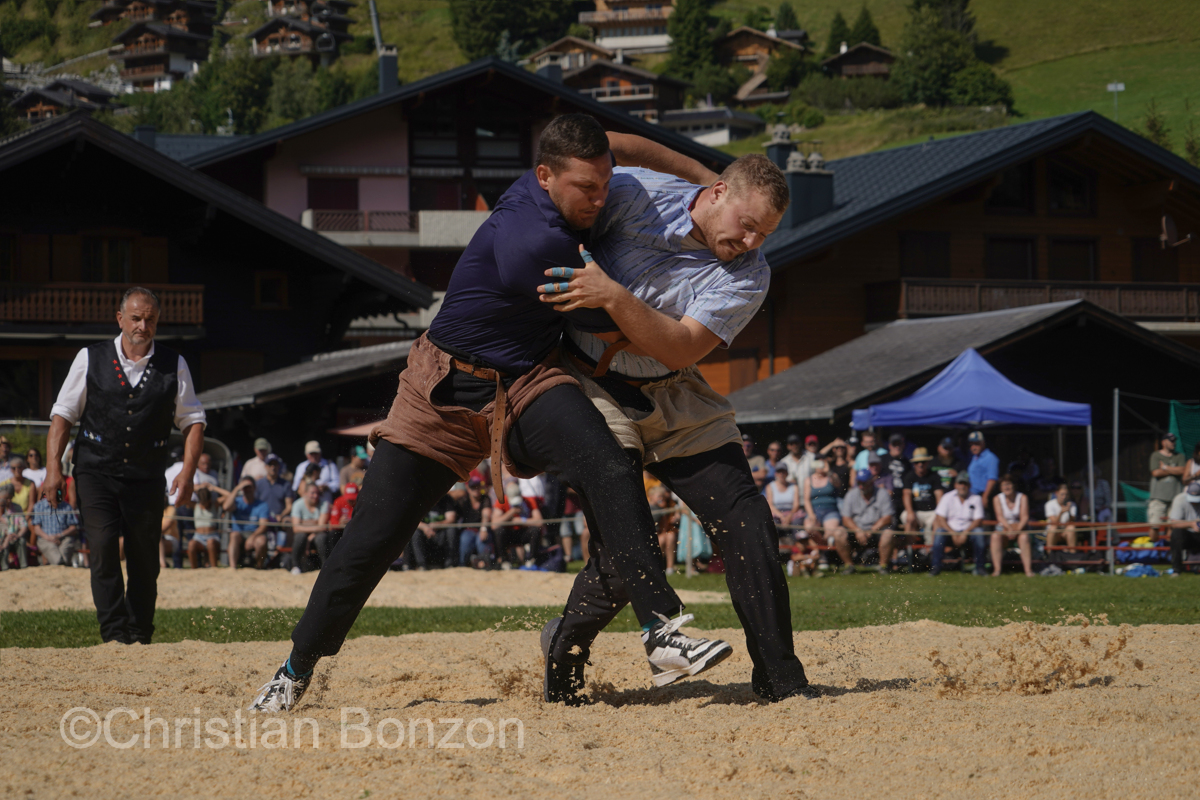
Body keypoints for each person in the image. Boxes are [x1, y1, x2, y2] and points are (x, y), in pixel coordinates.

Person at [252, 116, 725, 713]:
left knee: (608, 464)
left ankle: (661, 630)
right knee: (370, 541)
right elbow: (631, 330)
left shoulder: (564, 178)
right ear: (545, 176)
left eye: (606, 183)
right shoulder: (538, 243)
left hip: (526, 379)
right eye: (587, 188)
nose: (601, 198)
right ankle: (295, 669)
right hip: (442, 390)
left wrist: (708, 178)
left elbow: (621, 144)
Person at [535, 151, 816, 703]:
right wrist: (695, 170)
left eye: (764, 234)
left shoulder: (750, 273)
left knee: (748, 521)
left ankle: (781, 679)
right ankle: (563, 656)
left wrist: (612, 294)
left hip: (675, 387)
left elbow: (680, 346)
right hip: (591, 384)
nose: (752, 242)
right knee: (624, 546)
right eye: (747, 225)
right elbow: (598, 142)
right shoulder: (635, 192)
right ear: (718, 193)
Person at [43, 287, 206, 644]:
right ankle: (114, 634)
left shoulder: (174, 363)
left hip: (146, 474)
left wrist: (188, 471)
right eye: (135, 318)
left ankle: (139, 632)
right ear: (120, 319)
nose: (142, 326)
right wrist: (53, 469)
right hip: (95, 469)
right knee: (102, 546)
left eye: (150, 319)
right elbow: (62, 416)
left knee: (144, 556)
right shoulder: (89, 358)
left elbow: (193, 421)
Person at [833, 469, 893, 574]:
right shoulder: (851, 494)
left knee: (889, 534)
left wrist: (872, 530)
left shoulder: (883, 493)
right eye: (859, 483)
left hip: (876, 531)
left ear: (871, 482)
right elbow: (845, 519)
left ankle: (883, 566)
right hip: (856, 531)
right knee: (838, 533)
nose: (861, 486)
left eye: (864, 483)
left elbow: (888, 517)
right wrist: (857, 530)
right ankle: (849, 566)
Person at [928, 473, 986, 577]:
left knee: (979, 532)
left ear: (969, 485)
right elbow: (940, 518)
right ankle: (935, 567)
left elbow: (978, 519)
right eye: (960, 483)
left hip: (969, 532)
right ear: (955, 485)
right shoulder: (947, 497)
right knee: (939, 532)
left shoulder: (976, 498)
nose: (962, 486)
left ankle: (980, 568)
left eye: (965, 484)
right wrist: (952, 533)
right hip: (950, 532)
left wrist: (965, 533)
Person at [899, 447, 944, 562]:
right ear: (914, 464)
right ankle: (911, 553)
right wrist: (910, 512)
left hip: (932, 511)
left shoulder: (934, 476)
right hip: (916, 511)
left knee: (937, 521)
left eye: (923, 462)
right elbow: (906, 494)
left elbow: (939, 496)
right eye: (917, 462)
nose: (920, 464)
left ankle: (931, 553)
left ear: (927, 462)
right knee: (908, 518)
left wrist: (939, 513)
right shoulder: (909, 476)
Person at [990, 474, 1033, 577]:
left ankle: (1028, 570)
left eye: (1008, 484)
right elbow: (1000, 517)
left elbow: (1024, 517)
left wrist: (1016, 531)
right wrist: (1009, 528)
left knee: (1024, 537)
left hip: (1019, 528)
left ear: (1014, 485)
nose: (1006, 487)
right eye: (1004, 485)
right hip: (1004, 528)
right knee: (995, 536)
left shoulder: (1022, 497)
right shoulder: (997, 498)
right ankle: (997, 570)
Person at [224, 477, 272, 569]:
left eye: (249, 487)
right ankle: (233, 568)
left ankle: (259, 567)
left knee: (261, 541)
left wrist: (252, 537)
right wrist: (237, 488)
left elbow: (263, 526)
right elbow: (226, 507)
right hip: (239, 534)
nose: (247, 490)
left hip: (255, 533)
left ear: (254, 488)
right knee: (234, 535)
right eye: (244, 487)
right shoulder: (237, 502)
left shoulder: (262, 505)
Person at [289, 482, 330, 574]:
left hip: (316, 535)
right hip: (303, 535)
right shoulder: (297, 504)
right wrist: (315, 523)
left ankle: (325, 566)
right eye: (312, 493)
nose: (315, 496)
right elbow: (296, 528)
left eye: (317, 493)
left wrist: (304, 524)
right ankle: (295, 566)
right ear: (305, 493)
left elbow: (322, 527)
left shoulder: (324, 504)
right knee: (300, 537)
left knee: (321, 538)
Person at [30, 492, 80, 567]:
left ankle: (61, 565)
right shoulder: (38, 506)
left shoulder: (66, 506)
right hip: (45, 539)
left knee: (65, 550)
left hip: (64, 538)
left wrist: (59, 535)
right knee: (57, 557)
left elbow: (73, 527)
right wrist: (49, 538)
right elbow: (37, 529)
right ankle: (60, 564)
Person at [1149, 433, 1185, 535]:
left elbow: (1182, 470)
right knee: (1154, 526)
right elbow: (1156, 473)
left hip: (1175, 498)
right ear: (1163, 442)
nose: (1174, 443)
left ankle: (1170, 545)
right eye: (1171, 441)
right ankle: (1154, 545)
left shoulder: (1180, 456)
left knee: (1172, 527)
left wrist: (1165, 467)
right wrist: (1174, 470)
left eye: (1174, 441)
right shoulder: (1156, 455)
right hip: (1158, 498)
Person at [187, 485, 229, 569]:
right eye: (203, 502)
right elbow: (182, 496)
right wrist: (196, 488)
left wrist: (214, 488)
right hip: (198, 536)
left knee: (211, 543)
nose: (205, 504)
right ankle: (193, 569)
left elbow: (229, 495)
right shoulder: (195, 505)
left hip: (212, 535)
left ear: (210, 499)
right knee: (191, 544)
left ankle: (214, 568)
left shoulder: (215, 504)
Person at [803, 459, 842, 547]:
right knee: (809, 528)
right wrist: (811, 514)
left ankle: (824, 548)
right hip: (814, 510)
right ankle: (824, 546)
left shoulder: (831, 476)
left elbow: (838, 484)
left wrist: (829, 472)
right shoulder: (808, 480)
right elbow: (806, 499)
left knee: (830, 532)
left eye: (822, 464)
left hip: (830, 510)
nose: (820, 466)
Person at [1167, 482, 1200, 574]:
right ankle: (1176, 569)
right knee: (1176, 533)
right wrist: (1191, 524)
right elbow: (1174, 523)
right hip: (1187, 536)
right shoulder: (1179, 499)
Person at [966, 431, 1000, 511]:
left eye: (976, 444)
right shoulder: (974, 457)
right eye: (971, 444)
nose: (973, 447)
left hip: (982, 495)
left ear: (983, 443)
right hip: (971, 495)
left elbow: (992, 479)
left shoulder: (990, 458)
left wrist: (985, 496)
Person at [1043, 483, 1078, 555]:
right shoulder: (1049, 504)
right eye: (1062, 494)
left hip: (1065, 532)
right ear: (1056, 493)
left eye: (1066, 494)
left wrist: (1069, 512)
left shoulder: (1072, 505)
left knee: (1071, 527)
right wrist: (1061, 513)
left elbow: (1072, 522)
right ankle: (1050, 555)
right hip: (1054, 533)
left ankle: (1073, 555)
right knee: (1053, 528)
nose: (1064, 497)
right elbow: (1054, 522)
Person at [0, 485, 29, 569]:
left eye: (10, 498)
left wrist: (18, 535)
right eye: (6, 498)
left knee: (21, 541)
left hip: (14, 537)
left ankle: (24, 566)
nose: (8, 500)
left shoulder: (17, 508)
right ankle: (4, 568)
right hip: (2, 538)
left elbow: (24, 525)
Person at [766, 463, 800, 528]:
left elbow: (796, 505)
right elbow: (770, 505)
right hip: (776, 513)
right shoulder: (770, 487)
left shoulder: (794, 487)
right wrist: (781, 516)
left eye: (783, 472)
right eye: (779, 472)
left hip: (791, 513)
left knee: (797, 523)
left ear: (787, 473)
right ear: (775, 474)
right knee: (772, 523)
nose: (781, 474)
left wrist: (789, 517)